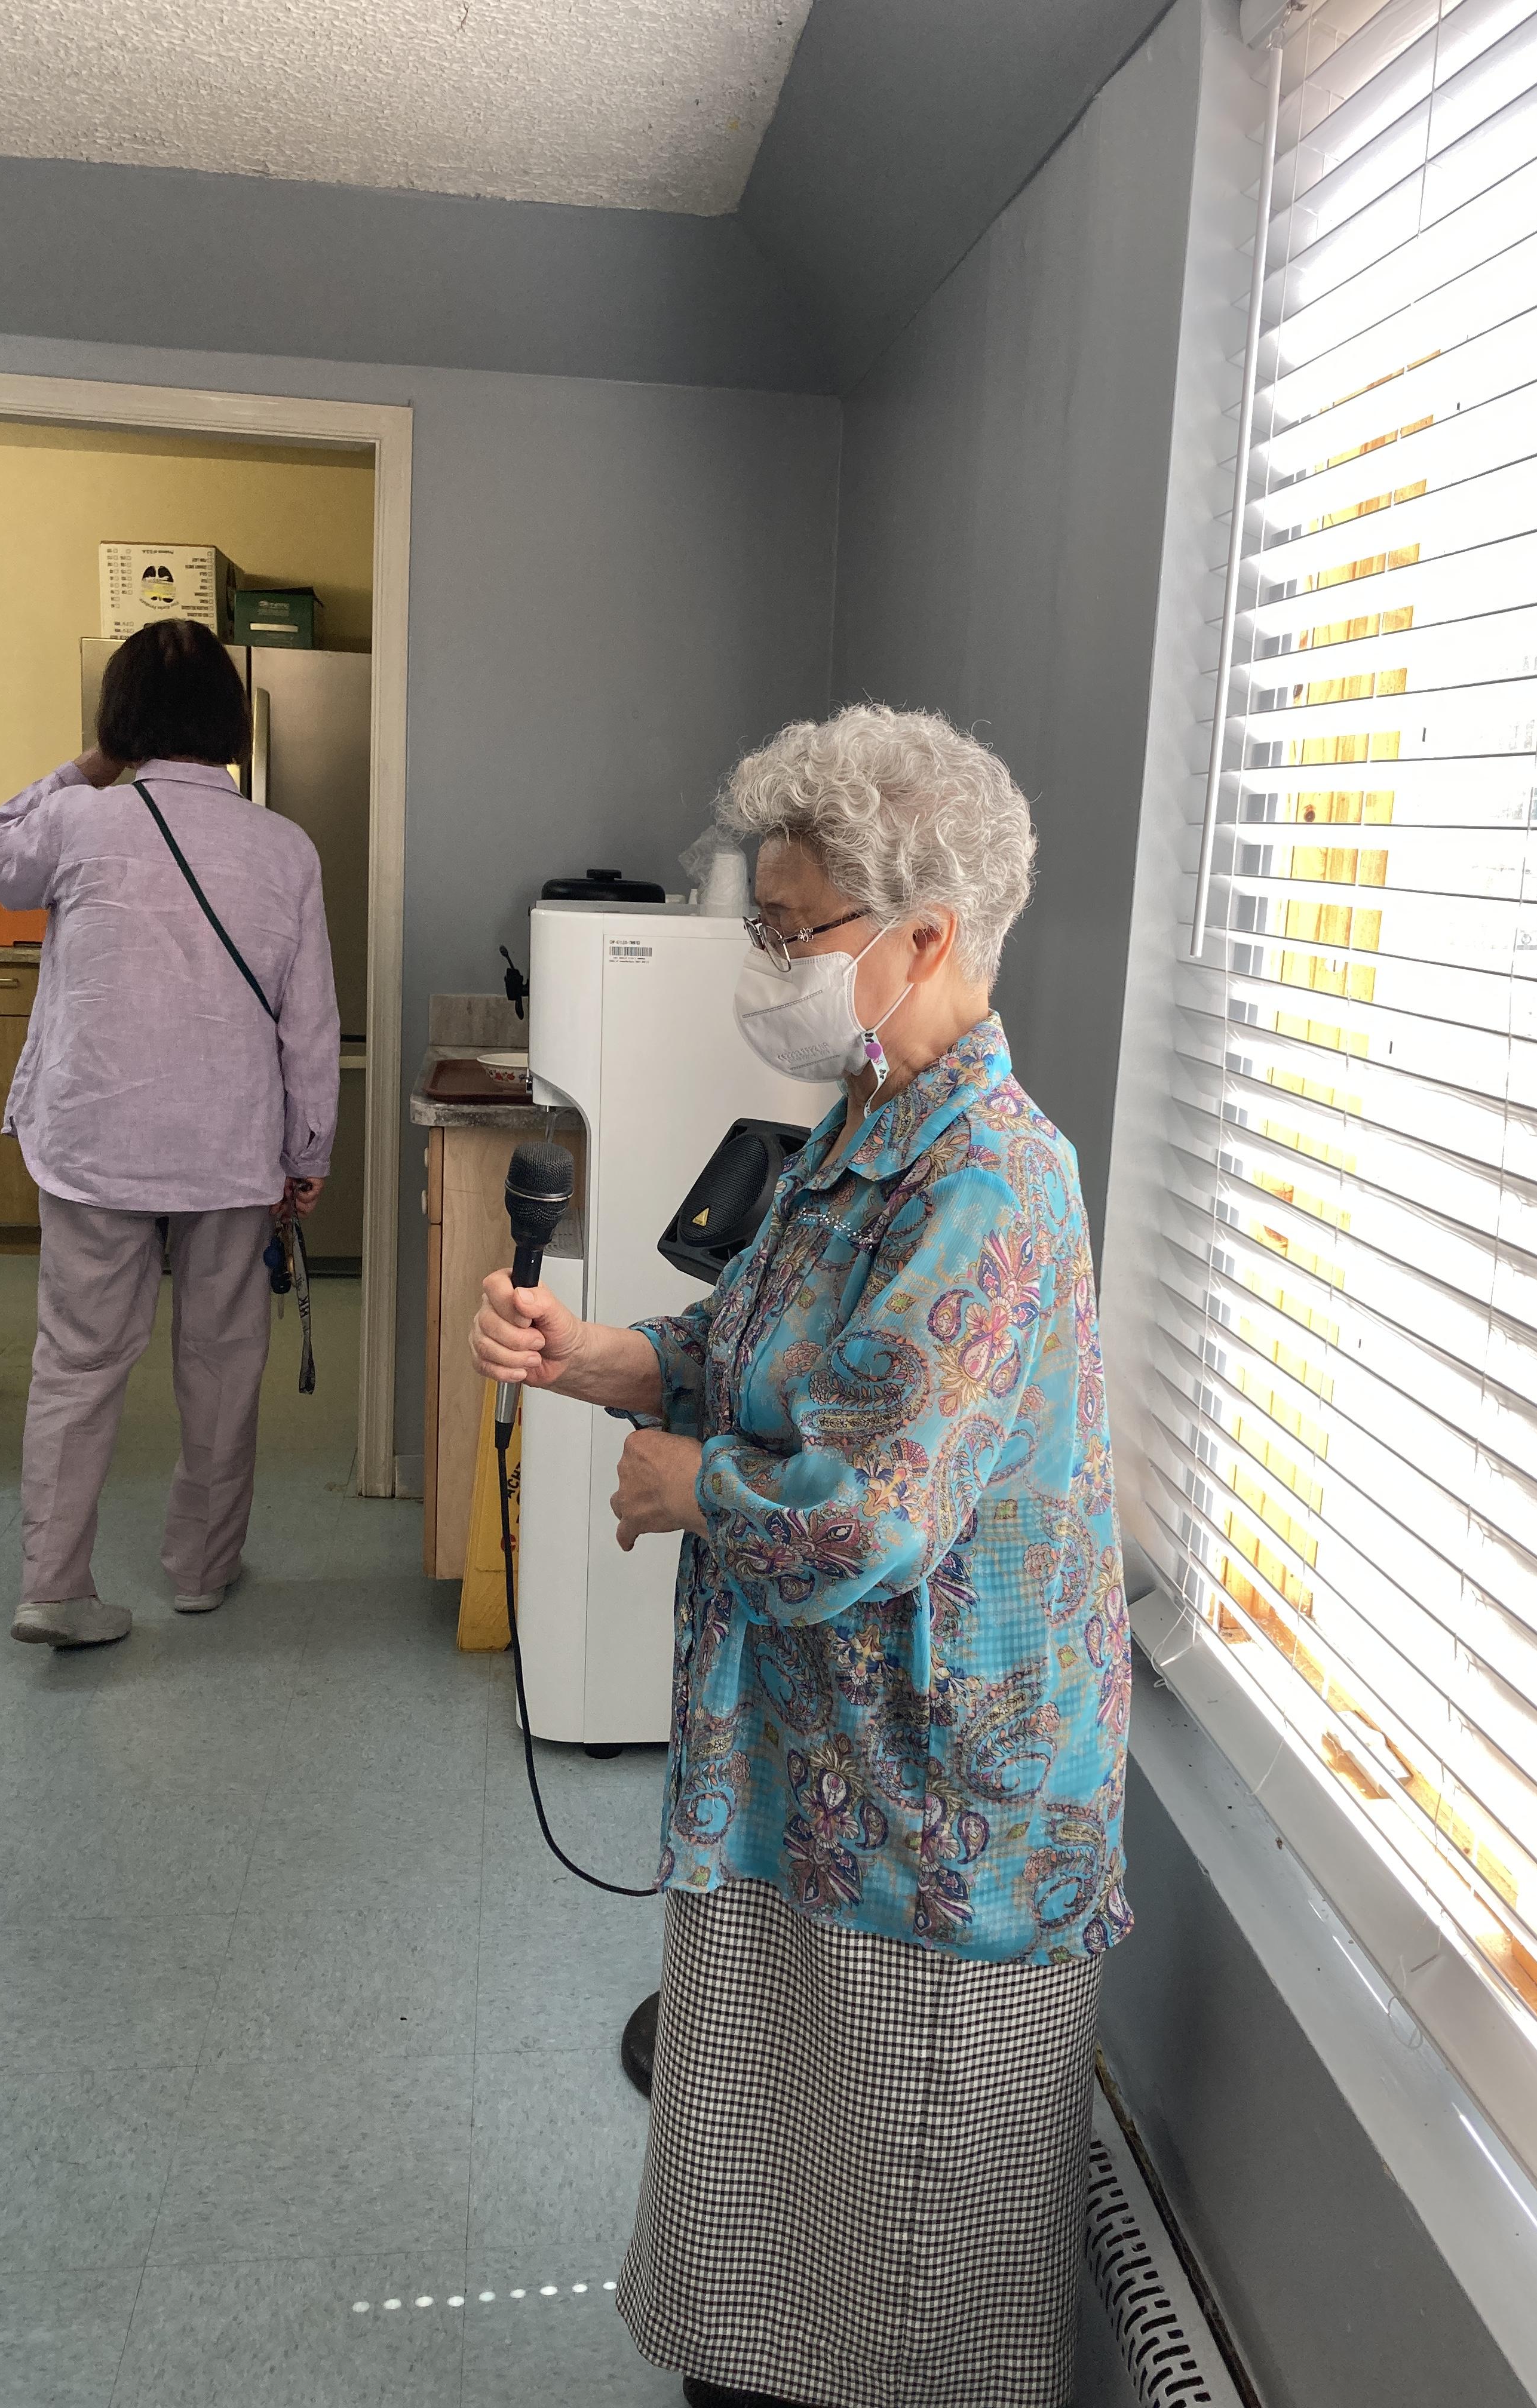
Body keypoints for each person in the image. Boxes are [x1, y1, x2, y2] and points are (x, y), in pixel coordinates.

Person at [473, 704, 1131, 2408]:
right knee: (776, 2177)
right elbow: (763, 1349)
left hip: (935, 1809)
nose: (767, 967)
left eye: (792, 932)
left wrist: (692, 1490)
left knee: (905, 2262)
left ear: (926, 939)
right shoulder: (862, 1121)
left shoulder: (992, 1183)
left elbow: (869, 1511)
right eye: (761, 928)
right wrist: (602, 1357)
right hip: (807, 1762)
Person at [0, 619, 339, 1650]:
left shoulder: (77, 821)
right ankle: (202, 1571)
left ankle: (53, 1585)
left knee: (77, 1364)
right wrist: (308, 1153)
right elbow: (309, 1023)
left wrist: (89, 765)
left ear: (121, 720)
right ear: (231, 723)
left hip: (94, 1145)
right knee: (222, 1364)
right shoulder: (286, 849)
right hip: (231, 1152)